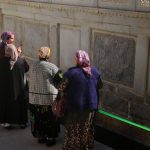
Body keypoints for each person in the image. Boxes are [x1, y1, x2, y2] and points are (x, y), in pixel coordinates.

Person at [58, 50, 103, 150]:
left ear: (78, 60)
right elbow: (100, 85)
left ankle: (73, 147)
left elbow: (61, 87)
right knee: (87, 128)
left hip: (75, 107)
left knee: (73, 127)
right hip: (91, 107)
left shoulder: (70, 73)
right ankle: (86, 147)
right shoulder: (95, 71)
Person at [29, 47, 62, 147]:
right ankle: (50, 138)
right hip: (48, 99)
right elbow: (60, 82)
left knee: (38, 118)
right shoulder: (52, 67)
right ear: (48, 55)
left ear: (39, 55)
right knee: (50, 119)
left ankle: (41, 136)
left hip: (34, 98)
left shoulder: (33, 65)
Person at [0, 31, 18, 128]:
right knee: (7, 97)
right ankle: (6, 120)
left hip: (2, 72)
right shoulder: (11, 47)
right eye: (11, 38)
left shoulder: (1, 45)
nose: (13, 40)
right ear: (7, 39)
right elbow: (15, 58)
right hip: (6, 74)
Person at [8, 46, 29, 128]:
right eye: (18, 51)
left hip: (12, 86)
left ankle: (10, 122)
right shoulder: (21, 60)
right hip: (20, 86)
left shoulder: (8, 60)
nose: (19, 52)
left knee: (12, 103)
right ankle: (22, 122)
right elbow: (27, 69)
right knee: (21, 103)